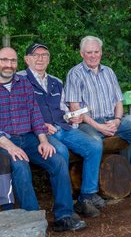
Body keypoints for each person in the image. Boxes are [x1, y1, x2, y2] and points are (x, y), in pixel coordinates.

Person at [0, 47, 86, 231]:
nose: (8, 65)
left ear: (17, 63)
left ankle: (64, 216)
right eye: (4, 60)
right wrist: (9, 146)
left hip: (28, 138)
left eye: (12, 61)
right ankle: (33, 222)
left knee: (57, 160)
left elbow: (35, 115)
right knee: (20, 165)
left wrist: (44, 141)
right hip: (3, 142)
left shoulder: (23, 83)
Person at [19, 42, 106, 218]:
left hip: (62, 127)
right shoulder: (20, 80)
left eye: (44, 55)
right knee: (61, 152)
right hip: (40, 132)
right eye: (36, 55)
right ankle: (65, 206)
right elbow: (19, 112)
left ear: (49, 59)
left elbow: (63, 109)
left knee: (94, 146)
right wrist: (40, 125)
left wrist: (72, 117)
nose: (41, 58)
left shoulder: (56, 82)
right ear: (27, 59)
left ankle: (85, 198)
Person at [64, 36, 131, 197]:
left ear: (101, 53)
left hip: (111, 119)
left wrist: (117, 120)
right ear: (82, 54)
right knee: (95, 142)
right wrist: (99, 126)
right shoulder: (75, 74)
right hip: (87, 123)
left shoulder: (108, 72)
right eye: (89, 52)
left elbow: (118, 102)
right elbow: (76, 109)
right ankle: (91, 192)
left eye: (96, 51)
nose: (93, 55)